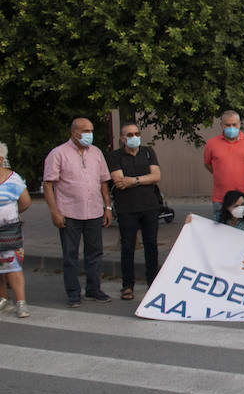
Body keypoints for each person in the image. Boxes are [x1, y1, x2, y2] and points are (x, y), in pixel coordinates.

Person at [43, 118, 113, 306]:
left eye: (91, 130)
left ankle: (93, 289)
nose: (89, 134)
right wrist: (54, 212)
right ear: (74, 133)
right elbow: (48, 184)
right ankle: (73, 293)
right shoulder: (58, 153)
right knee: (70, 255)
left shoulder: (96, 152)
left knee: (95, 253)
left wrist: (107, 207)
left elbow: (103, 182)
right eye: (85, 131)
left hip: (94, 211)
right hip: (69, 213)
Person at [107, 121, 161, 300]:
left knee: (151, 246)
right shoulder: (115, 156)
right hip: (127, 209)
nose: (134, 138)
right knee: (128, 247)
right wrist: (144, 179)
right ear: (122, 138)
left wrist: (134, 181)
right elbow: (119, 180)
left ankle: (153, 282)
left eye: (136, 134)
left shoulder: (148, 152)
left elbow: (157, 176)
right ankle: (127, 285)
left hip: (150, 206)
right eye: (129, 135)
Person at [203, 110, 244, 219]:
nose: (231, 127)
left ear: (240, 124)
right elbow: (208, 164)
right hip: (221, 199)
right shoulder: (211, 143)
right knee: (220, 232)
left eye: (234, 124)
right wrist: (220, 172)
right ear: (221, 125)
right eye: (227, 125)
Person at [0, 142, 33, 318]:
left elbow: (25, 202)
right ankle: (3, 299)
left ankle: (21, 303)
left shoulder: (13, 179)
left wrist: (11, 215)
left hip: (8, 230)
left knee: (12, 265)